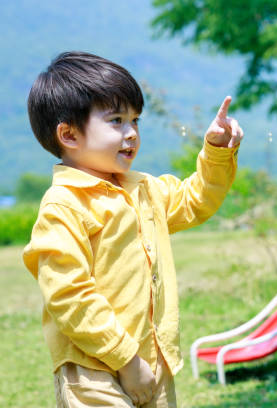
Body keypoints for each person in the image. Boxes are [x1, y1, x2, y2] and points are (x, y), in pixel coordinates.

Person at [22, 51, 243, 407]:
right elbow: (69, 295)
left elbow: (194, 200)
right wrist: (125, 360)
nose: (131, 134)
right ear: (68, 134)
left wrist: (216, 152)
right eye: (116, 120)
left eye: (135, 120)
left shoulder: (143, 189)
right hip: (92, 368)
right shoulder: (63, 206)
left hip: (152, 361)